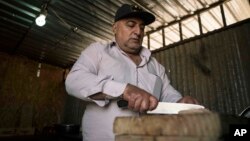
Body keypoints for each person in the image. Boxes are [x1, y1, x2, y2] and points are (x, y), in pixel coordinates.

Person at [65, 4, 199, 141]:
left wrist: (180, 102)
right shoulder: (98, 52)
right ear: (115, 28)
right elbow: (74, 80)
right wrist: (123, 90)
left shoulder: (155, 65)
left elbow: (167, 93)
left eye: (142, 27)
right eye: (131, 25)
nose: (138, 32)